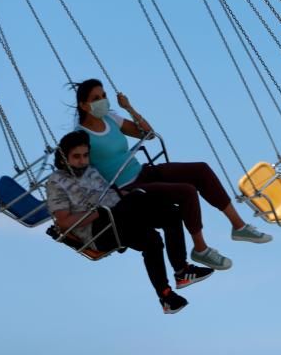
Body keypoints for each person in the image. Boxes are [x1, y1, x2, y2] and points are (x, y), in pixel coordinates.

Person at [71, 78, 272, 271]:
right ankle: (200, 249)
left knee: (200, 170)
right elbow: (80, 173)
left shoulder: (110, 118)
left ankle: (238, 226)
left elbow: (147, 134)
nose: (103, 101)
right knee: (186, 192)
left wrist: (129, 108)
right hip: (127, 189)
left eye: (104, 95)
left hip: (143, 172)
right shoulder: (81, 136)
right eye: (96, 98)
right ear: (84, 105)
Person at [46, 131, 215, 314]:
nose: (82, 161)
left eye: (85, 155)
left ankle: (178, 278)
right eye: (76, 157)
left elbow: (110, 195)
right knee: (141, 206)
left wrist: (123, 198)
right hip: (99, 229)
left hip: (121, 213)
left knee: (168, 218)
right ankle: (167, 291)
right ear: (63, 158)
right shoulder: (56, 182)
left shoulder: (90, 171)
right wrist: (96, 214)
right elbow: (63, 223)